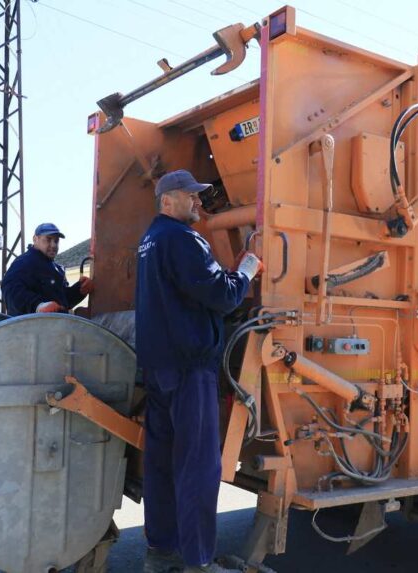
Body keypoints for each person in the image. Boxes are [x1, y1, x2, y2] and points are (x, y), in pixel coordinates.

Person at [135, 170, 263, 573]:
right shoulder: (182, 240)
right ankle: (198, 562)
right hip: (190, 371)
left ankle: (160, 554)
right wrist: (248, 269)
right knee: (198, 468)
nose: (198, 202)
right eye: (191, 196)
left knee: (161, 465)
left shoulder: (149, 241)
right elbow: (223, 296)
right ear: (168, 200)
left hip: (158, 370)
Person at [1, 223, 93, 316]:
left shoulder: (57, 269)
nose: (53, 245)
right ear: (35, 239)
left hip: (55, 325)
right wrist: (38, 306)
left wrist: (79, 290)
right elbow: (10, 289)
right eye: (48, 239)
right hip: (30, 327)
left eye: (56, 241)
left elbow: (64, 302)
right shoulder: (24, 262)